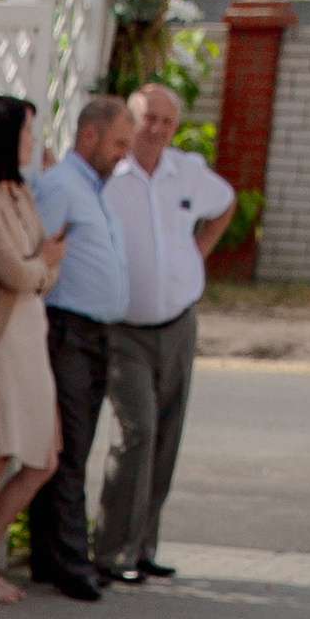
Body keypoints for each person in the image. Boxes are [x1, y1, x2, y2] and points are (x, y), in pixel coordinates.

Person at [98, 85, 237, 589]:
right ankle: (112, 550)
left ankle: (144, 546)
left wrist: (196, 252)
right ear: (128, 122)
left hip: (177, 323)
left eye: (165, 121)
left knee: (167, 437)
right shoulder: (109, 176)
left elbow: (227, 203)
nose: (154, 128)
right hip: (124, 329)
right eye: (146, 119)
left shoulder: (187, 172)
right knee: (138, 433)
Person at [0, 94, 66, 607]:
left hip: (31, 334)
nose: (31, 141)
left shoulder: (19, 190)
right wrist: (41, 267)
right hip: (1, 339)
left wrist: (39, 268)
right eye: (25, 131)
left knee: (44, 457)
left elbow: (44, 262)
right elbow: (16, 269)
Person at [27, 97, 136, 602]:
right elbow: (39, 259)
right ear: (89, 137)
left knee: (78, 443)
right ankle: (70, 560)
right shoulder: (61, 187)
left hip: (94, 336)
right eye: (118, 143)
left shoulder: (91, 188)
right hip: (67, 332)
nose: (124, 155)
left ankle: (52, 555)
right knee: (67, 447)